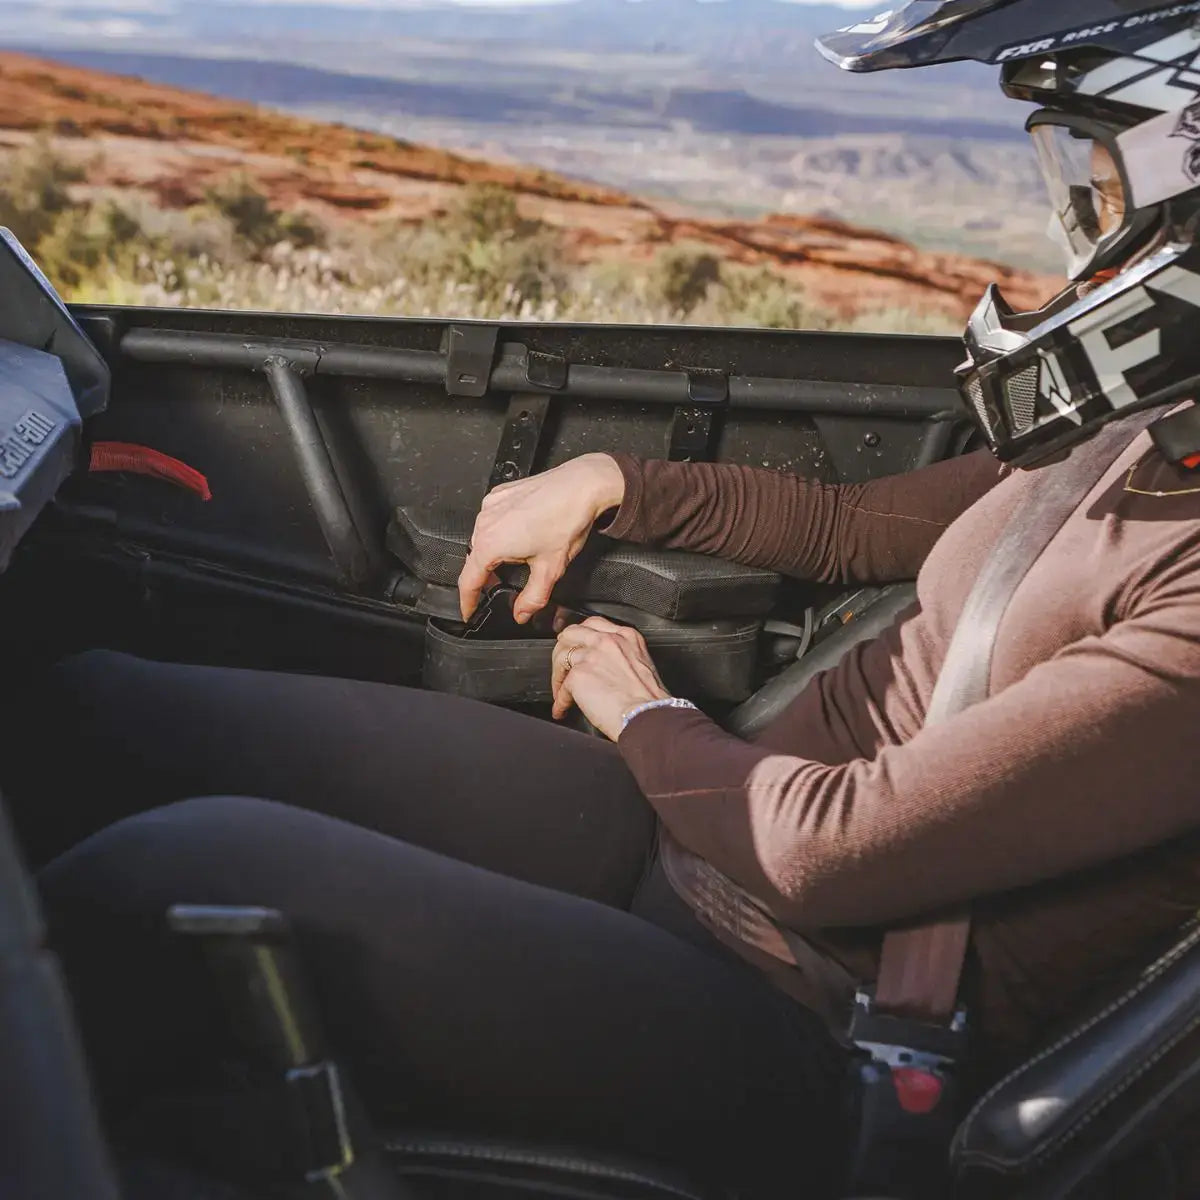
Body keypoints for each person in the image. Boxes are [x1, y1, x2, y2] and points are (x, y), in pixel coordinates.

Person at [11, 2, 1200, 1195]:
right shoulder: (1152, 434)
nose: (1081, 242)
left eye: (1105, 203)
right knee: (98, 711)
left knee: (159, 878)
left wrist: (644, 714)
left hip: (798, 1000)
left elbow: (830, 853)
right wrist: (613, 480)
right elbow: (856, 525)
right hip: (690, 837)